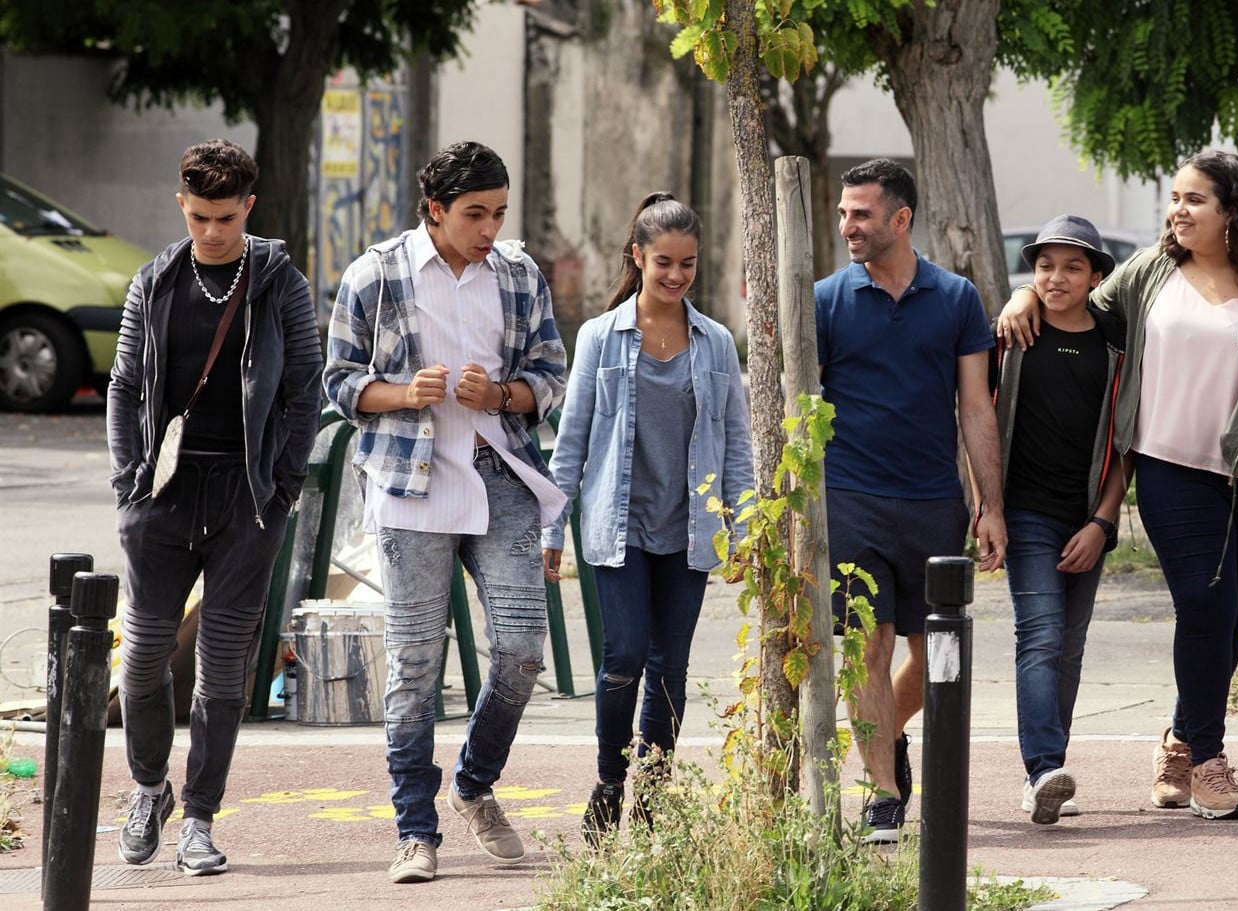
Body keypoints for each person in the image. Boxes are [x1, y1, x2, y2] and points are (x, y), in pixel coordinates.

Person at [999, 151, 1238, 822]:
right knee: (1205, 607)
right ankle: (1207, 760)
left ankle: (1181, 738)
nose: (1178, 210)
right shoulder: (1152, 272)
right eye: (1174, 197)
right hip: (1168, 464)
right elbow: (1074, 298)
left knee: (1236, 615)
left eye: (1194, 200)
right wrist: (1022, 292)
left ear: (1232, 210)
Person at [324, 141, 568, 883]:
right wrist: (405, 393)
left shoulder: (519, 273)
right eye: (474, 214)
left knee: (525, 648)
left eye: (498, 213)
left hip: (500, 477)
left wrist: (498, 394)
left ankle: (473, 781)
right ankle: (414, 831)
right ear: (434, 210)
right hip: (409, 482)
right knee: (414, 666)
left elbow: (550, 375)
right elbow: (337, 382)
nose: (489, 228)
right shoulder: (376, 274)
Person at [108, 139, 323, 876]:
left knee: (223, 668)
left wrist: (283, 486)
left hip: (246, 497)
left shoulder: (279, 282)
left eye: (225, 218)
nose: (212, 232)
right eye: (199, 217)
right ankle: (148, 788)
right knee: (140, 657)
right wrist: (128, 482)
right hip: (163, 494)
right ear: (182, 206)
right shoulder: (156, 280)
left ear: (249, 208)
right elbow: (123, 386)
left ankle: (199, 814)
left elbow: (305, 389)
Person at [542, 193, 754, 846]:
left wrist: (742, 533)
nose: (676, 275)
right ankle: (611, 781)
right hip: (618, 528)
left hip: (689, 530)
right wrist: (553, 528)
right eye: (663, 262)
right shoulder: (601, 337)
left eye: (687, 264)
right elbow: (571, 440)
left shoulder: (715, 342)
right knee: (624, 656)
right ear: (638, 257)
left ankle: (652, 798)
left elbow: (738, 447)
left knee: (669, 668)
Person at [815, 158, 1007, 843]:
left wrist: (990, 505)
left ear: (900, 218)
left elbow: (977, 410)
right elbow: (797, 406)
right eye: (843, 214)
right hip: (852, 498)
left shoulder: (956, 299)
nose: (848, 226)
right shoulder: (826, 300)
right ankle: (882, 792)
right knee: (869, 646)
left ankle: (881, 738)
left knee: (936, 655)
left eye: (861, 214)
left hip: (933, 500)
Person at [994, 215, 1127, 825]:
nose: (1056, 277)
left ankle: (1048, 774)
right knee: (1041, 637)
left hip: (1086, 519)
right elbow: (975, 418)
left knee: (1069, 649)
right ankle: (1043, 767)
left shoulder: (1115, 343)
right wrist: (986, 507)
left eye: (1073, 266)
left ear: (1097, 276)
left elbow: (1128, 445)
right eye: (1045, 265)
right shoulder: (1014, 334)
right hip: (1025, 513)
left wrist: (1101, 523)